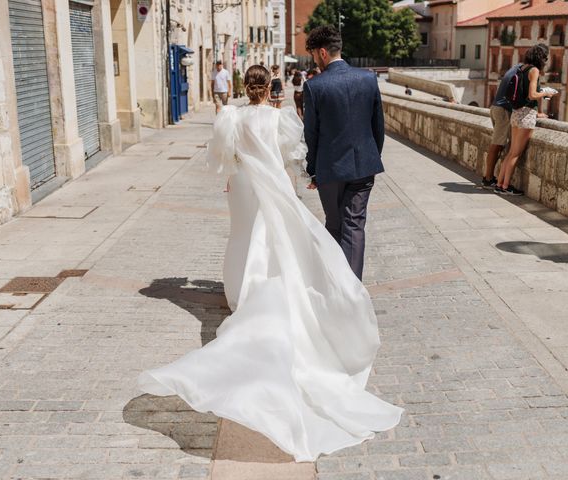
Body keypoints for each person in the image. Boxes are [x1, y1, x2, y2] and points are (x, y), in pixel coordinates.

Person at [138, 64, 402, 462]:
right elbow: (293, 157)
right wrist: (291, 176)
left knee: (243, 235)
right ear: (270, 88)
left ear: (246, 87)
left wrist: (234, 170)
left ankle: (240, 292)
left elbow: (222, 157)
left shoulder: (231, 115)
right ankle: (270, 283)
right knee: (275, 238)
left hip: (243, 183)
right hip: (273, 182)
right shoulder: (279, 118)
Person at [303, 25, 384, 281]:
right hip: (364, 165)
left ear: (323, 52)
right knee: (355, 225)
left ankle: (337, 284)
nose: (314, 60)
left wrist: (313, 169)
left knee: (335, 224)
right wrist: (371, 158)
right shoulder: (368, 78)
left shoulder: (314, 86)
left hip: (331, 169)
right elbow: (377, 126)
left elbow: (312, 134)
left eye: (314, 55)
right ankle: (353, 288)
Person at [495, 44, 556, 195]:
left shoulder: (522, 68)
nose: (546, 61)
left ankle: (499, 183)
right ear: (540, 58)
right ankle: (506, 186)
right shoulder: (534, 70)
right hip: (526, 114)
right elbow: (532, 95)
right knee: (515, 154)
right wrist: (546, 93)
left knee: (510, 152)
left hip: (516, 113)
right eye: (545, 58)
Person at [482, 63, 520, 189]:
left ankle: (489, 178)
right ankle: (488, 179)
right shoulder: (522, 72)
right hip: (503, 110)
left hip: (495, 107)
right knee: (496, 145)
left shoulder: (514, 68)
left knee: (498, 145)